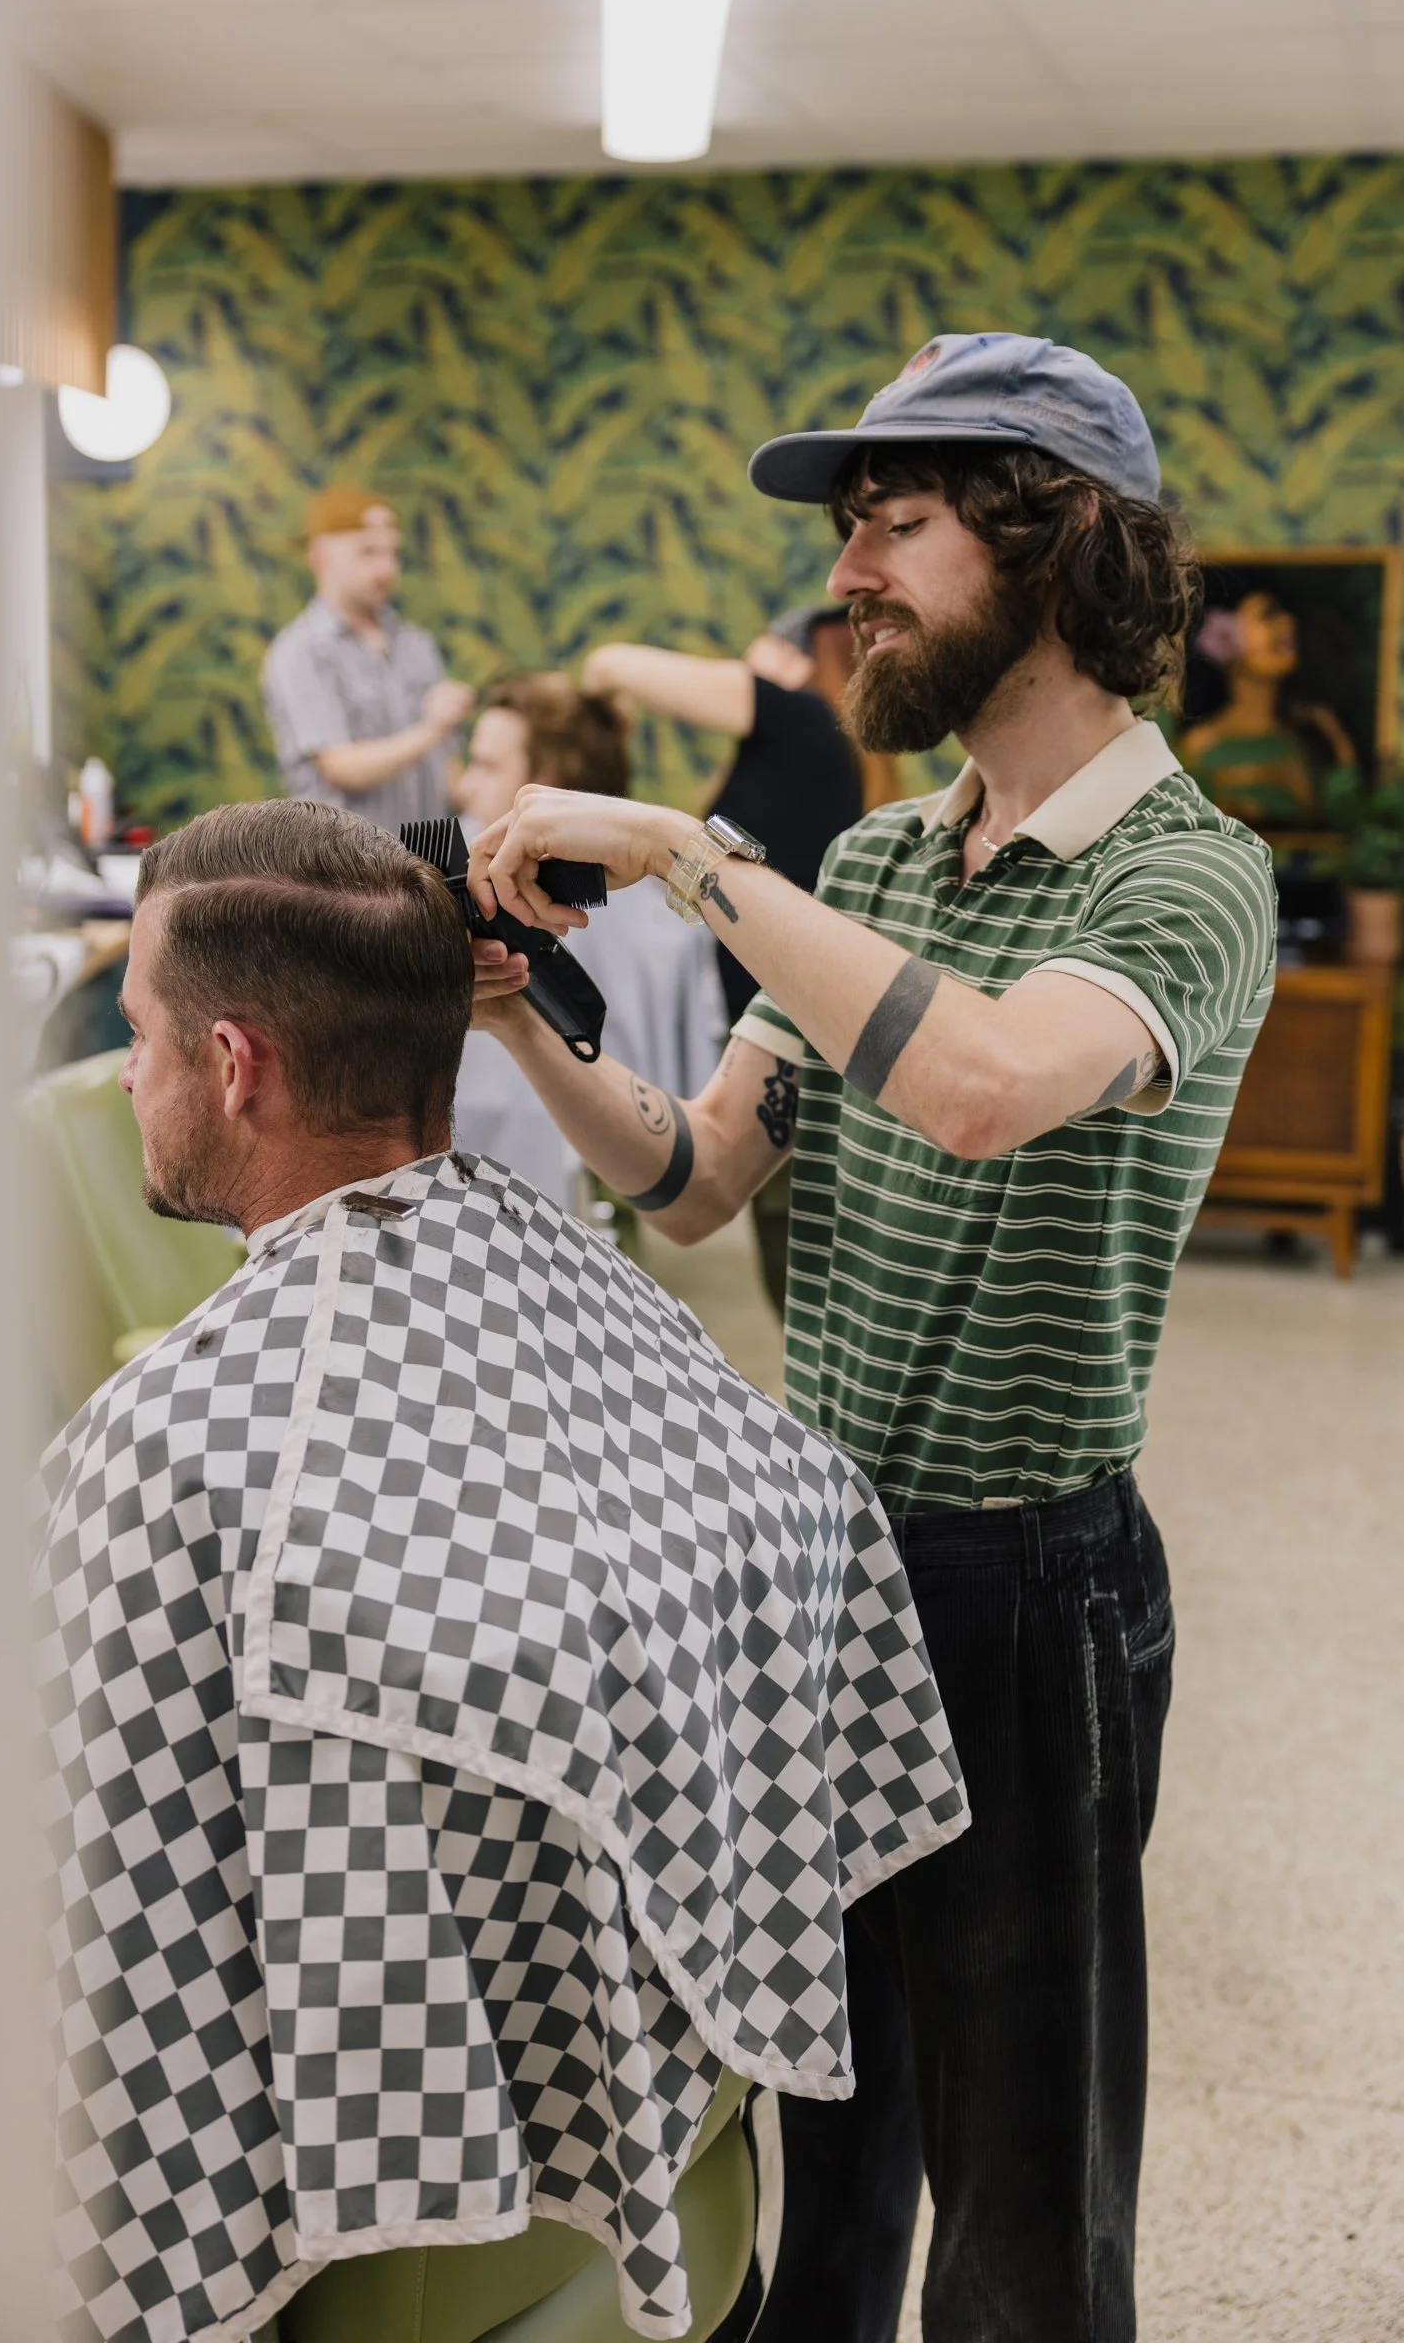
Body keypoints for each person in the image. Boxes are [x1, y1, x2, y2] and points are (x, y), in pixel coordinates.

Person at [462, 332, 1279, 2343]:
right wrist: (518, 1021)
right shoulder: (878, 861)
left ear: (1057, 537)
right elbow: (695, 1179)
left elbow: (985, 1084)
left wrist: (678, 850)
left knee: (1017, 2192)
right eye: (849, 535)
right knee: (811, 2125)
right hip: (817, 1563)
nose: (851, 577)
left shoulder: (1191, 876)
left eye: (895, 526)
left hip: (1021, 1587)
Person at [33, 798, 969, 2343]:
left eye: (137, 1030)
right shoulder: (607, 1327)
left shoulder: (159, 1469)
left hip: (379, 2236)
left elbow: (96, 1951)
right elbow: (816, 1515)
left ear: (232, 1063)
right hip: (670, 2171)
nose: (124, 1068)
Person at [585, 614, 864, 1309]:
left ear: (793, 660)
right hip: (773, 1019)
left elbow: (617, 660)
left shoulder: (800, 716)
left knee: (799, 1237)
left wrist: (603, 677)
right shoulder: (789, 754)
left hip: (786, 1026)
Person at [453, 671, 726, 1207]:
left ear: (544, 783)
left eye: (486, 766)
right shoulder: (451, 872)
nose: (464, 784)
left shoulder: (641, 921)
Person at [261, 481, 474, 831]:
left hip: (429, 866)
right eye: (368, 552)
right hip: (347, 873)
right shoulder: (301, 651)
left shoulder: (415, 644)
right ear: (320, 556)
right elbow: (341, 768)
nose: (387, 569)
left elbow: (449, 773)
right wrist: (431, 729)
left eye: (393, 553)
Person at [1174, 568, 1357, 827]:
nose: (1288, 623)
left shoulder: (1316, 731)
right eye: (1268, 615)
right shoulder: (1200, 747)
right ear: (1222, 639)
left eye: (1282, 612)